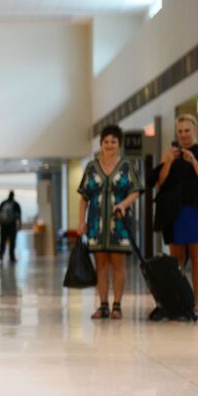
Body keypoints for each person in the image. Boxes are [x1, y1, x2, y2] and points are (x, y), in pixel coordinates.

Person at [77, 125, 142, 319]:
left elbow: (135, 191)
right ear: (101, 144)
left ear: (119, 144)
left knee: (118, 264)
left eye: (113, 142)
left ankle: (117, 305)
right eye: (106, 142)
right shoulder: (91, 166)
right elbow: (83, 197)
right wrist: (81, 221)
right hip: (96, 224)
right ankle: (103, 305)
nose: (109, 145)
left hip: (120, 223)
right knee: (101, 265)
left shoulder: (126, 166)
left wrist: (123, 204)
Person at [154, 114, 198, 319]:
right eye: (180, 131)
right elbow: (160, 183)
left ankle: (197, 303)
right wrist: (169, 162)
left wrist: (194, 162)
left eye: (187, 131)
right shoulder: (170, 153)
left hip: (196, 209)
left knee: (197, 256)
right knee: (176, 259)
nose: (183, 135)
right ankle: (179, 301)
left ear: (195, 131)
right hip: (174, 211)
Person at [0, 190, 22, 262]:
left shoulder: (3, 203)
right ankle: (12, 256)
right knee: (12, 241)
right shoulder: (16, 204)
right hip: (12, 225)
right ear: (13, 196)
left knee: (2, 240)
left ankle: (1, 253)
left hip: (4, 225)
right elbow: (19, 215)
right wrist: (19, 224)